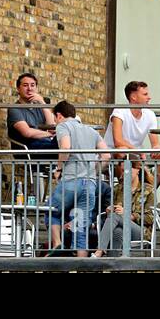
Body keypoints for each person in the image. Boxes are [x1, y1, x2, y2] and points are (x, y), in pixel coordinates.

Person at [47, 101, 110, 256]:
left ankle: (58, 244)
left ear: (59, 115)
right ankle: (80, 265)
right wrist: (94, 170)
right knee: (81, 227)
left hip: (71, 180)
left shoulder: (63, 126)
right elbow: (107, 155)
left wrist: (59, 167)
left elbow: (66, 147)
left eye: (55, 119)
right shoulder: (91, 130)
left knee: (51, 210)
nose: (55, 122)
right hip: (90, 184)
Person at [105, 80, 160, 185]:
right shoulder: (119, 111)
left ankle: (149, 190)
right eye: (145, 94)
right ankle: (124, 190)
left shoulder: (150, 115)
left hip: (138, 155)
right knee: (122, 151)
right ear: (134, 97)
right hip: (113, 154)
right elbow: (118, 141)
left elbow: (155, 143)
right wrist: (138, 151)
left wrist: (157, 148)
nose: (149, 97)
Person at [97, 161, 157, 256]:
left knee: (115, 217)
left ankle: (99, 251)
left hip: (141, 232)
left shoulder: (148, 190)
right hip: (121, 228)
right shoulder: (117, 189)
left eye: (128, 170)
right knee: (117, 232)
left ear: (137, 170)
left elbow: (151, 217)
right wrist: (109, 210)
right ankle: (114, 265)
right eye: (122, 170)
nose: (124, 173)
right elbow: (111, 216)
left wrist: (129, 216)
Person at [6, 72, 57, 150]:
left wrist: (42, 102)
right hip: (28, 147)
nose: (29, 88)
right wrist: (48, 134)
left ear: (36, 88)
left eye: (32, 85)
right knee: (61, 147)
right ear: (18, 88)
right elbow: (27, 132)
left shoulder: (39, 107)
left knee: (66, 143)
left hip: (45, 144)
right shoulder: (15, 109)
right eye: (25, 85)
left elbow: (52, 126)